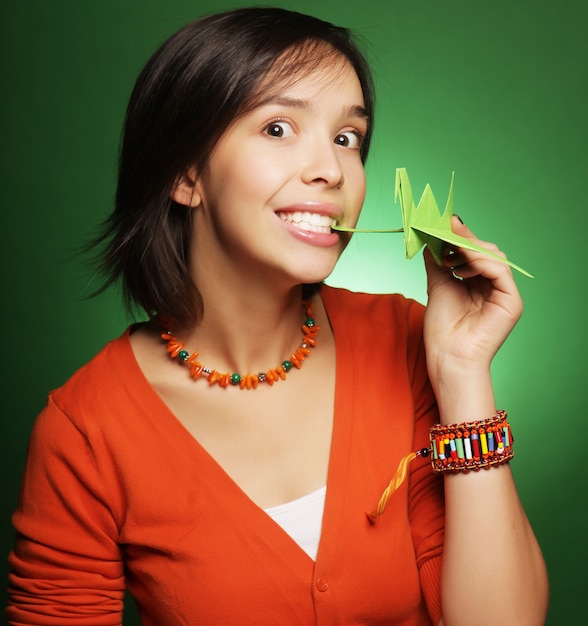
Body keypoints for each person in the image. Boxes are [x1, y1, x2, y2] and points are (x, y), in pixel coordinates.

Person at [6, 6, 548, 626]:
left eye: (348, 139)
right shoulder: (86, 428)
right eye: (278, 128)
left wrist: (462, 373)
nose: (330, 170)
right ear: (186, 173)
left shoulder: (406, 341)